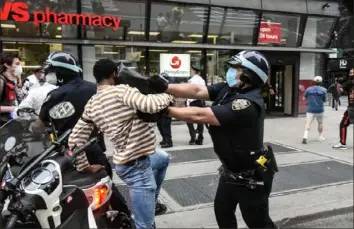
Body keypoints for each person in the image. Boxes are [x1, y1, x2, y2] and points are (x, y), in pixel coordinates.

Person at [148, 50, 277, 228]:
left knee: (257, 221)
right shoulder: (229, 89)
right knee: (222, 211)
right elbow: (196, 90)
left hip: (251, 176)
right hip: (231, 171)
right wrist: (164, 87)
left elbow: (202, 115)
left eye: (236, 68)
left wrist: (162, 109)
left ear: (248, 75)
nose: (231, 71)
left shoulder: (248, 103)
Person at [68, 59, 174, 229]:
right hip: (137, 166)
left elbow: (74, 140)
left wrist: (83, 166)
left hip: (125, 163)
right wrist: (168, 95)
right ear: (114, 75)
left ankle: (148, 204)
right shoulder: (121, 91)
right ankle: (144, 210)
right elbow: (151, 105)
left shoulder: (92, 103)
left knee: (162, 158)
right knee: (144, 225)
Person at [38, 52, 131, 216]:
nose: (47, 74)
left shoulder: (55, 95)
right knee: (107, 188)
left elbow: (42, 123)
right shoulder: (94, 89)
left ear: (59, 72)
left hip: (70, 153)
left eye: (50, 70)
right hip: (95, 148)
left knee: (76, 196)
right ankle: (125, 217)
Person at [333, 69, 354, 150]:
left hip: (352, 108)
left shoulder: (349, 82)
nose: (351, 74)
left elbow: (340, 91)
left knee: (343, 124)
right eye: (350, 72)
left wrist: (338, 84)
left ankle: (342, 143)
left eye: (352, 73)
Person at [302, 76, 327, 144]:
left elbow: (304, 98)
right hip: (320, 109)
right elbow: (325, 100)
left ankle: (305, 136)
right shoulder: (324, 90)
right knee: (320, 123)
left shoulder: (309, 89)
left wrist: (309, 100)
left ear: (314, 81)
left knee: (308, 123)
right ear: (320, 82)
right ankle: (320, 136)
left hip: (310, 109)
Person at [0, 52, 23, 126]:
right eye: (17, 64)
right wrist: (13, 108)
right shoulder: (1, 80)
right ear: (7, 65)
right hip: (3, 124)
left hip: (12, 122)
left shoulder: (13, 80)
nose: (20, 66)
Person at [185, 64, 206, 145]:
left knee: (189, 119)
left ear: (194, 71)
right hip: (200, 102)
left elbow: (191, 93)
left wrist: (188, 103)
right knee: (200, 120)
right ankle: (200, 138)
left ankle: (193, 136)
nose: (190, 71)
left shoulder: (192, 80)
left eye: (191, 70)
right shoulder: (202, 80)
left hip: (193, 102)